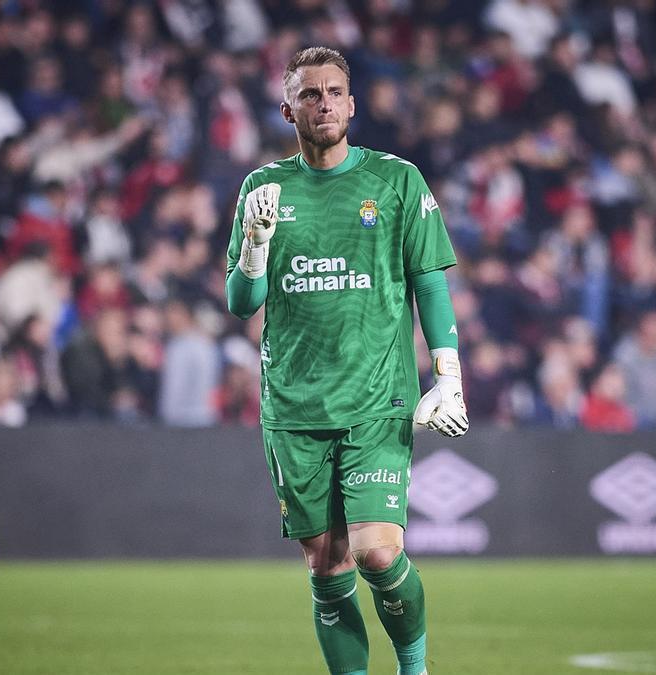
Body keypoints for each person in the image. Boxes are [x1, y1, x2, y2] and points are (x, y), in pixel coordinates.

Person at [224, 47, 466, 675]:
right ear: (288, 110)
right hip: (295, 407)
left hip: (377, 401)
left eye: (334, 91)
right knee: (326, 569)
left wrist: (449, 375)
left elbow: (430, 282)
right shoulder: (263, 189)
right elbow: (241, 303)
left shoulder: (397, 180)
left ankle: (413, 670)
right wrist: (256, 246)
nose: (324, 102)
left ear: (352, 105)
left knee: (379, 556)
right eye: (310, 94)